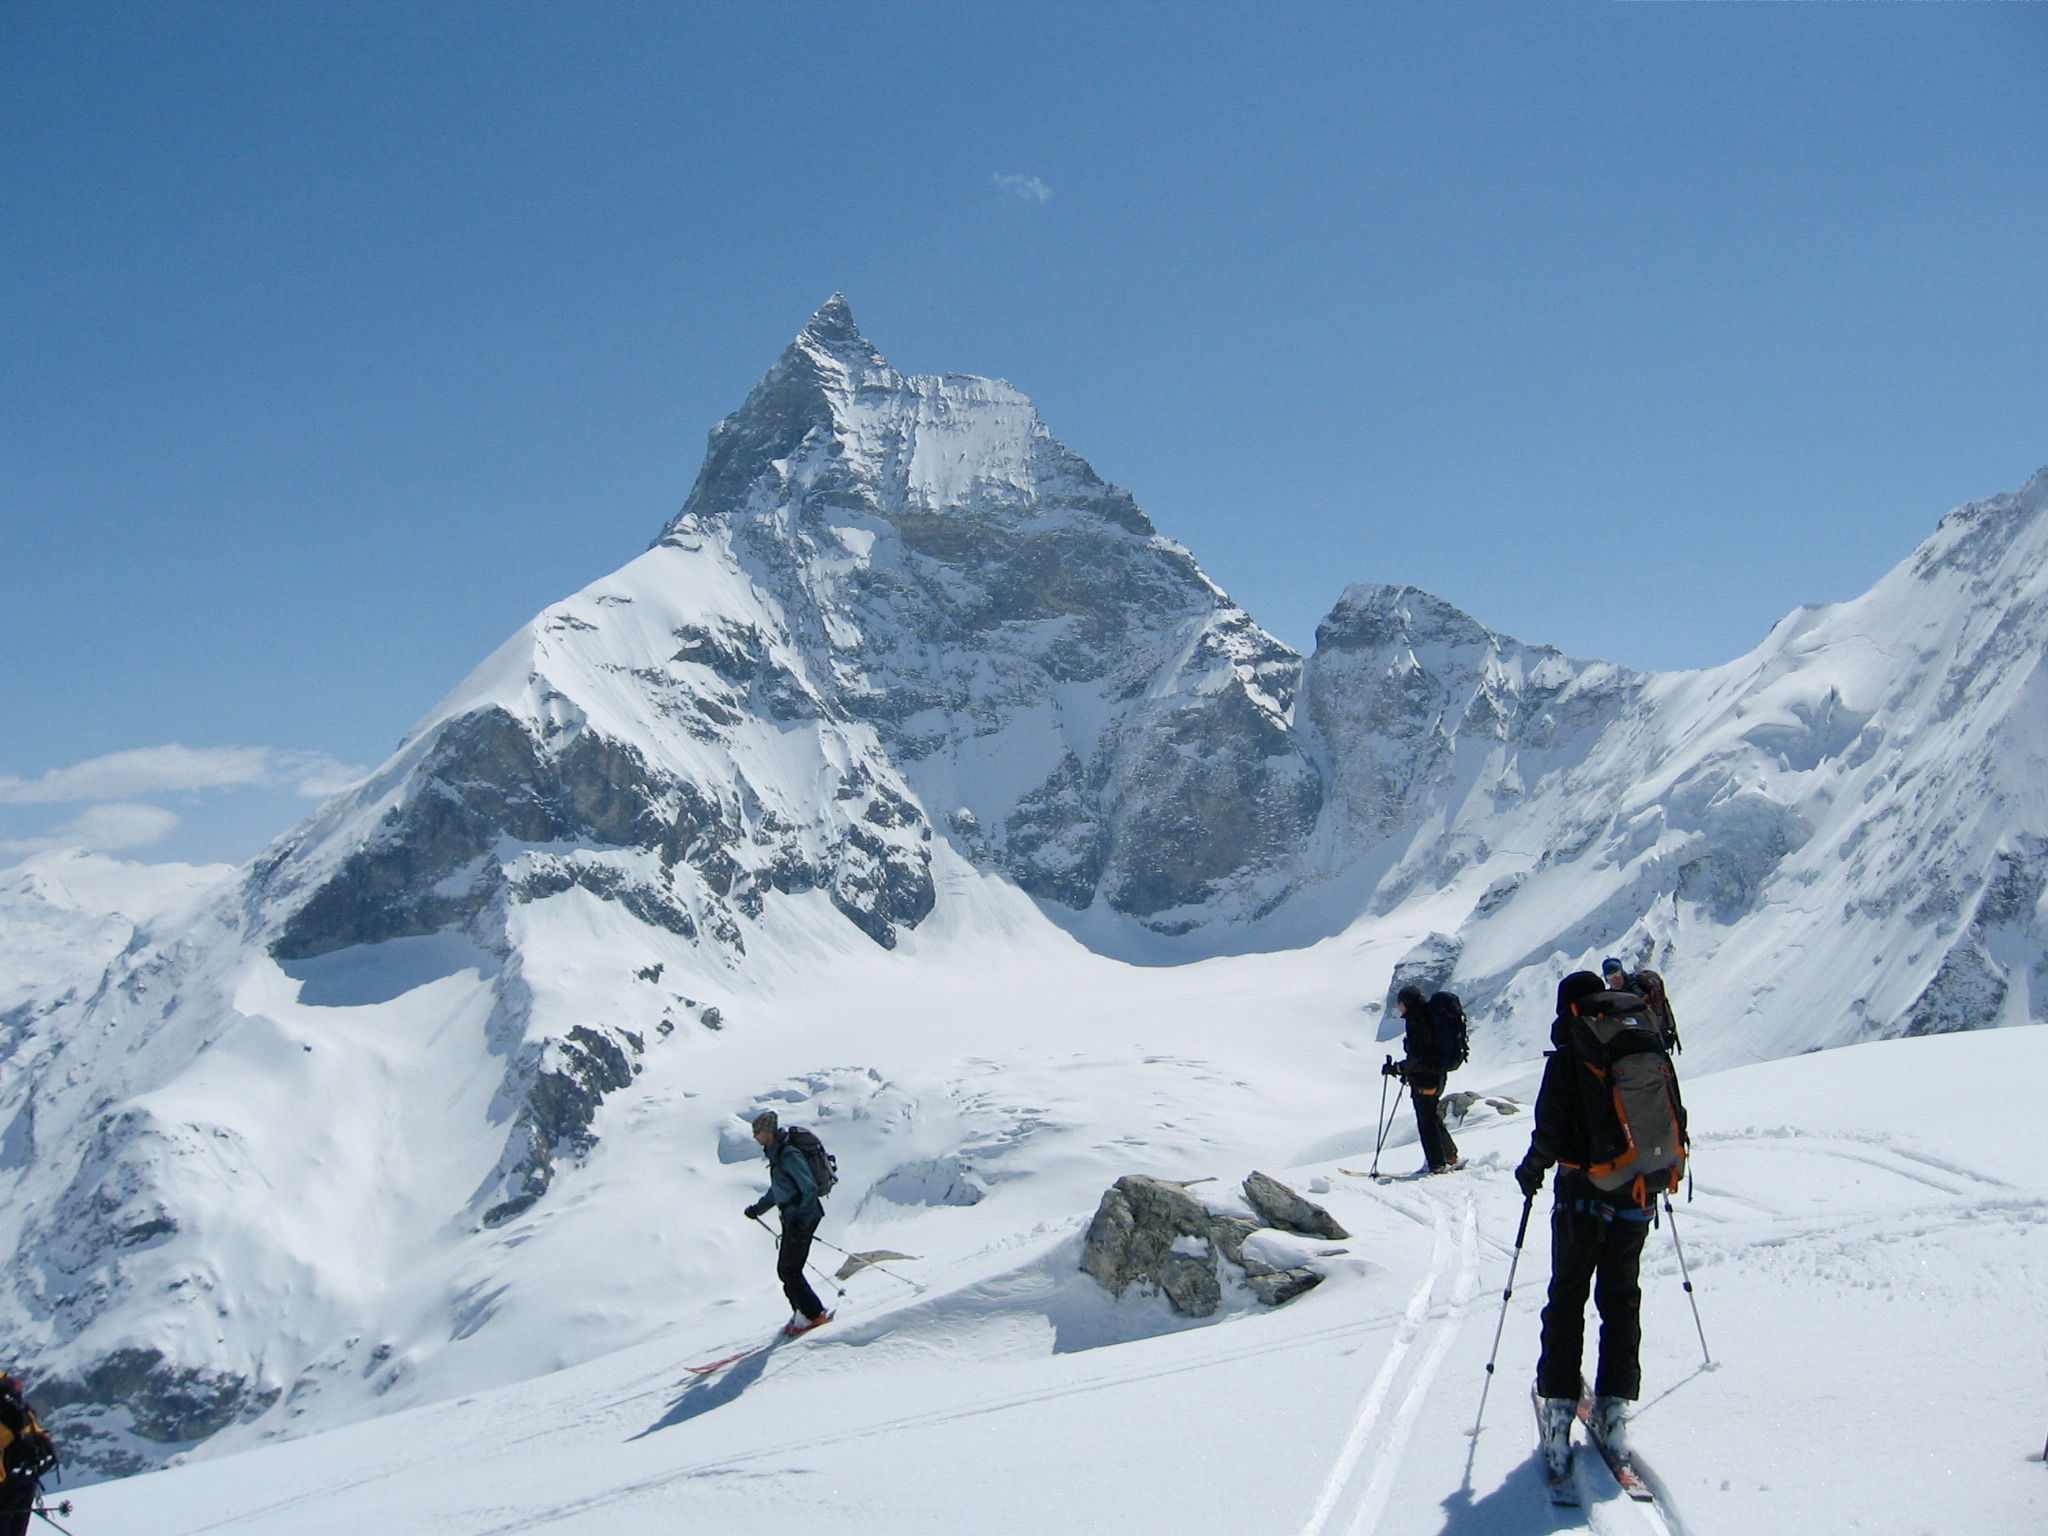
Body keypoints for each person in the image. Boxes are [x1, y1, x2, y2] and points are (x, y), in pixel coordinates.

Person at [1515, 969, 1687, 1482]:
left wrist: (1531, 1172)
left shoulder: (1572, 1054)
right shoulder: (1641, 1043)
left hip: (1582, 1196)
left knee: (1568, 1296)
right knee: (1621, 1296)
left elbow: (1549, 1130)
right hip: (1637, 1190)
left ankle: (1561, 1411)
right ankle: (1614, 1409)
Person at [742, 1110, 831, 1336]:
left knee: (789, 1270)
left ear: (768, 1132)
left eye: (757, 1132)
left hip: (802, 1218)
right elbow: (779, 1189)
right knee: (788, 1270)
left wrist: (802, 1219)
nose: (755, 1137)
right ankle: (804, 1312)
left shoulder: (788, 1154)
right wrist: (758, 1208)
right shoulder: (777, 1154)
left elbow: (808, 1187)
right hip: (794, 1218)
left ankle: (812, 1314)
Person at [1389, 985, 1461, 1174]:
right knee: (1432, 1117)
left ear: (1406, 1003)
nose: (1399, 1008)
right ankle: (1449, 1156)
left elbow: (1418, 1056)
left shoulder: (1416, 1020)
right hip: (1437, 1076)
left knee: (1426, 1122)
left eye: (1400, 1004)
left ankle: (1436, 1164)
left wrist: (1398, 1068)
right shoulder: (1429, 1015)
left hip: (1424, 1080)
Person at [0, 1373, 56, 1536]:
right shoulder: (18, 1405)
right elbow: (38, 1433)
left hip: (5, 1480)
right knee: (17, 1528)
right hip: (27, 1473)